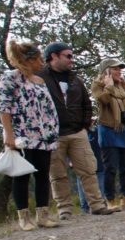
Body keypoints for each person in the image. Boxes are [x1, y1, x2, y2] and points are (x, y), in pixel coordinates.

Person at [39, 42, 114, 218]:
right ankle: (64, 209)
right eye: (68, 56)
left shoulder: (75, 80)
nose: (72, 60)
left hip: (77, 132)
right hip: (53, 134)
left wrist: (84, 125)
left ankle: (96, 204)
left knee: (88, 169)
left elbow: (86, 104)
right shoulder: (39, 78)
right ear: (53, 56)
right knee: (57, 174)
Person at [0, 40, 60, 231]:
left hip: (44, 135)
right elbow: (4, 106)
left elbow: (47, 108)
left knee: (42, 175)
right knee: (22, 175)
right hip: (22, 135)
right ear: (29, 60)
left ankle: (43, 215)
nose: (41, 62)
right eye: (39, 59)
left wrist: (53, 130)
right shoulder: (10, 78)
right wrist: (8, 134)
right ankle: (24, 217)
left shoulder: (40, 81)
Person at [92, 57, 125, 210]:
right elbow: (103, 100)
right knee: (110, 167)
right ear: (106, 70)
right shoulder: (98, 84)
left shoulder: (122, 86)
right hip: (109, 129)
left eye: (119, 68)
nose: (119, 71)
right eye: (115, 68)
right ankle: (110, 200)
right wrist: (108, 86)